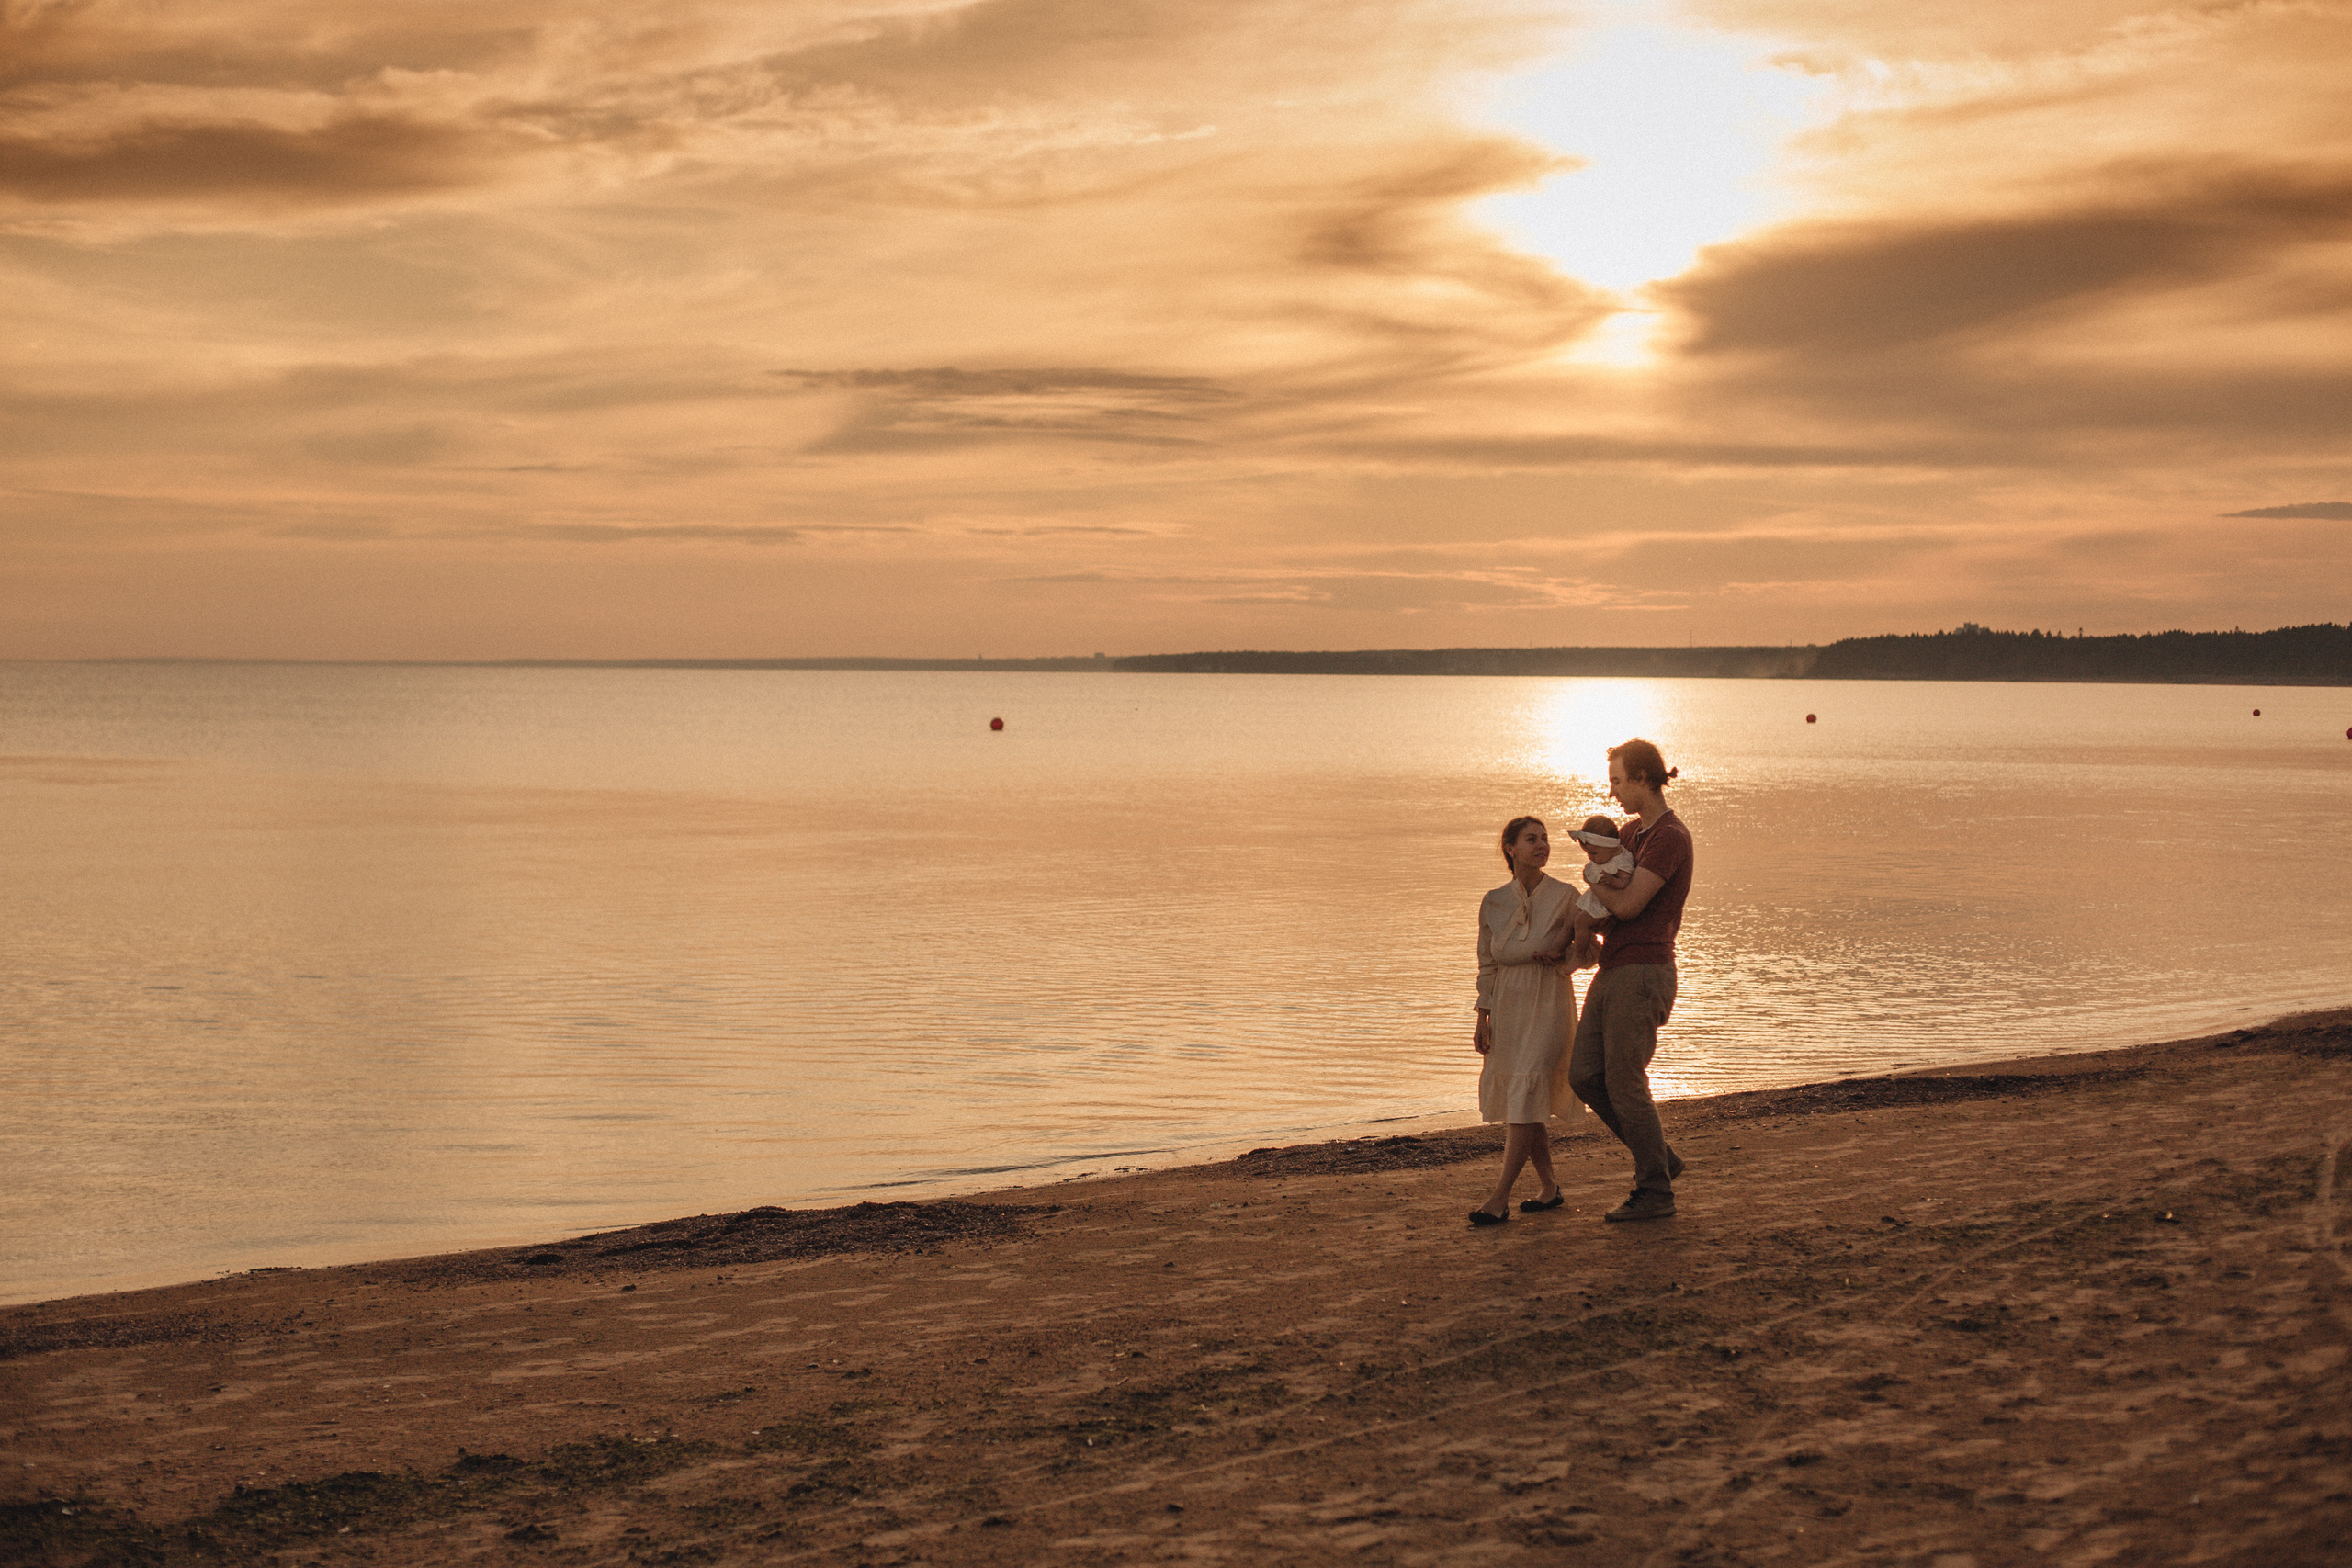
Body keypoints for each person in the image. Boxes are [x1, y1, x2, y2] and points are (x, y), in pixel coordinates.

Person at [1571, 739, 1694, 1223]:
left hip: (1644, 971)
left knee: (1625, 1081)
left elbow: (1626, 905)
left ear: (1643, 778)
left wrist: (1590, 876)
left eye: (1618, 781)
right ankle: (1658, 1156)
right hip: (1614, 967)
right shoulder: (1628, 834)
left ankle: (1655, 1191)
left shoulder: (1669, 837)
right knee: (1584, 1075)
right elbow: (1607, 910)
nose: (1612, 791)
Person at [1469, 816, 1583, 1225]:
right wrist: (1482, 1018)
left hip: (1549, 1001)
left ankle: (1498, 1198)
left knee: (1528, 1091)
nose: (1542, 845)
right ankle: (1550, 1188)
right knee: (1526, 1098)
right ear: (1511, 848)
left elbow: (1589, 949)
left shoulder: (1567, 896)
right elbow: (1487, 964)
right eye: (1531, 839)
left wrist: (1564, 957)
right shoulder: (1493, 901)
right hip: (1507, 1008)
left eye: (1545, 839)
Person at [1566, 816, 1633, 920]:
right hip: (1593, 896)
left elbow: (1626, 881)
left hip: (1604, 904)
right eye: (1587, 853)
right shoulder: (1603, 858)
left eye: (1594, 853)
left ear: (1610, 848)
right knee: (1570, 918)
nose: (1590, 857)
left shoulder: (1620, 862)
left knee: (1581, 921)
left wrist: (1613, 881)